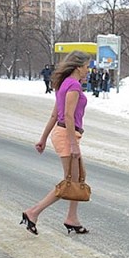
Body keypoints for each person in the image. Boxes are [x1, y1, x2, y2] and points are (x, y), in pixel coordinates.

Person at [21, 50, 92, 235]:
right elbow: (67, 116)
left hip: (64, 134)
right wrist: (73, 144)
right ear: (78, 67)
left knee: (76, 179)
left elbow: (55, 114)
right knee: (69, 181)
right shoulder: (74, 86)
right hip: (68, 135)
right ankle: (33, 212)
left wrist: (43, 139)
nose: (88, 70)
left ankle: (72, 218)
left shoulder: (64, 84)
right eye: (86, 67)